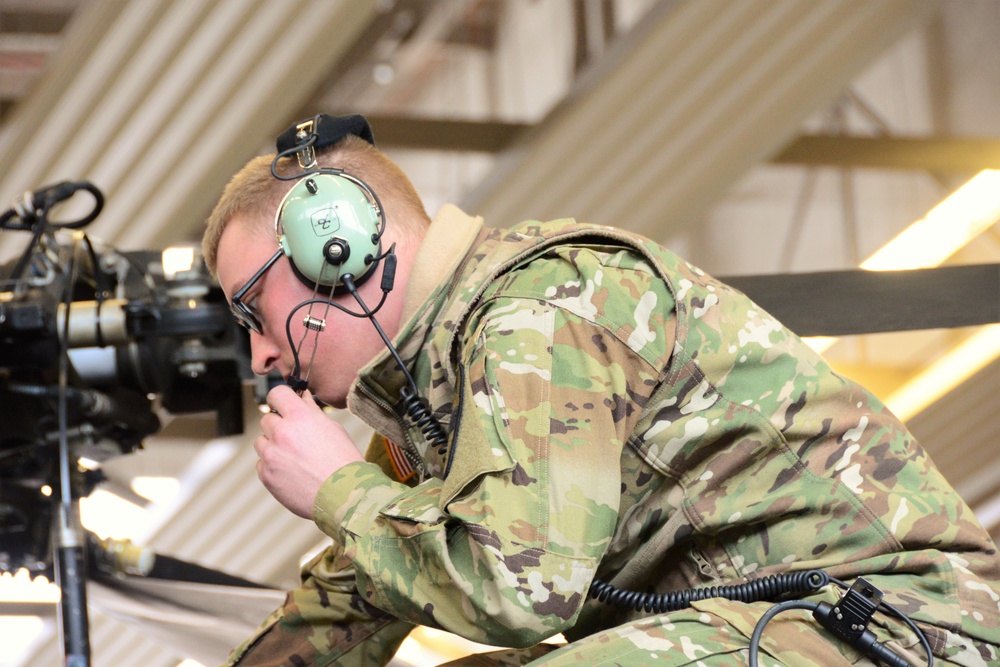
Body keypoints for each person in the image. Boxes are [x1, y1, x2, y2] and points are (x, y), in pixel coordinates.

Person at [202, 113, 1000, 666]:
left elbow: (520, 590)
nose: (260, 354)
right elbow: (347, 607)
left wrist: (339, 488)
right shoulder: (428, 402)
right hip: (780, 631)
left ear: (335, 246)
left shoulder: (536, 314)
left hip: (900, 627)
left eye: (254, 307)